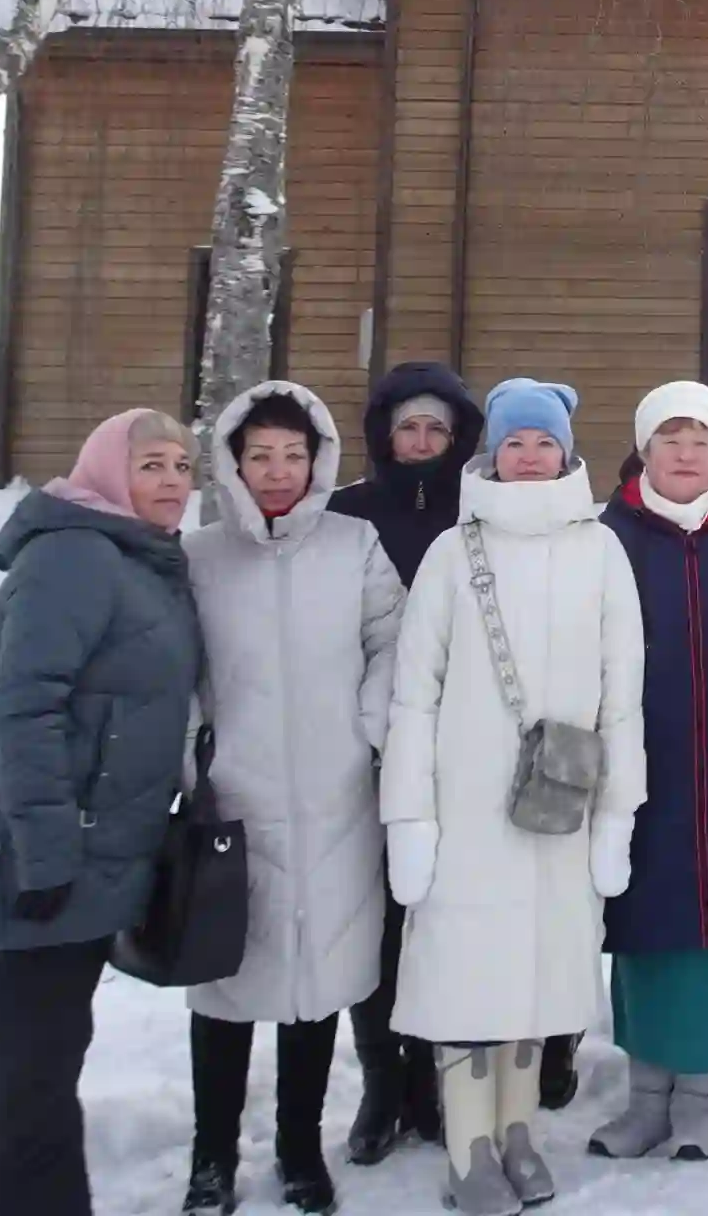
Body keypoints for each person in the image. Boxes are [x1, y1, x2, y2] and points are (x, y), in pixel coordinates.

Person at [0, 410, 203, 1216]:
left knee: (32, 1072)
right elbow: (21, 708)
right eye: (151, 465)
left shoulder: (134, 561)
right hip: (30, 863)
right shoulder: (75, 557)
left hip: (73, 863)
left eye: (183, 466)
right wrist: (45, 853)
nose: (172, 482)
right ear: (108, 472)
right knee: (32, 1077)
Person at [379, 379, 647, 1216]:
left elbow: (623, 692)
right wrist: (410, 819)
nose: (529, 457)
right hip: (464, 810)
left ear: (566, 453)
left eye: (544, 443)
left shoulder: (600, 549)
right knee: (468, 976)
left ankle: (519, 1131)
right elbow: (412, 694)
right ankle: (469, 1148)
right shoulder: (453, 554)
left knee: (540, 975)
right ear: (490, 455)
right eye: (514, 443)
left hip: (560, 806)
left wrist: (617, 814)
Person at [182, 382, 406, 1214]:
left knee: (314, 986)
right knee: (227, 986)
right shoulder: (201, 557)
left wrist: (365, 727)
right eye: (260, 455)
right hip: (233, 805)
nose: (278, 470)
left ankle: (299, 1146)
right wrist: (193, 762)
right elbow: (180, 674)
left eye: (293, 453)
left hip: (334, 801)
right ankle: (211, 1159)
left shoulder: (355, 544)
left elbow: (392, 637)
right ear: (234, 463)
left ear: (319, 460)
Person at [589, 383, 708, 1163]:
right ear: (644, 449)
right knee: (645, 930)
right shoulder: (609, 535)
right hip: (643, 764)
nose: (685, 453)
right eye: (670, 438)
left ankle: (702, 1101)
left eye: (699, 439)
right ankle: (645, 1100)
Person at [326, 363, 497, 1161]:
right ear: (384, 435)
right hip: (369, 751)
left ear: (459, 437)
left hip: (464, 748)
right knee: (380, 921)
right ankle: (380, 1084)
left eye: (437, 428)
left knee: (445, 917)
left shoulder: (482, 514)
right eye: (409, 427)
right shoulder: (348, 516)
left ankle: (435, 1082)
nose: (422, 441)